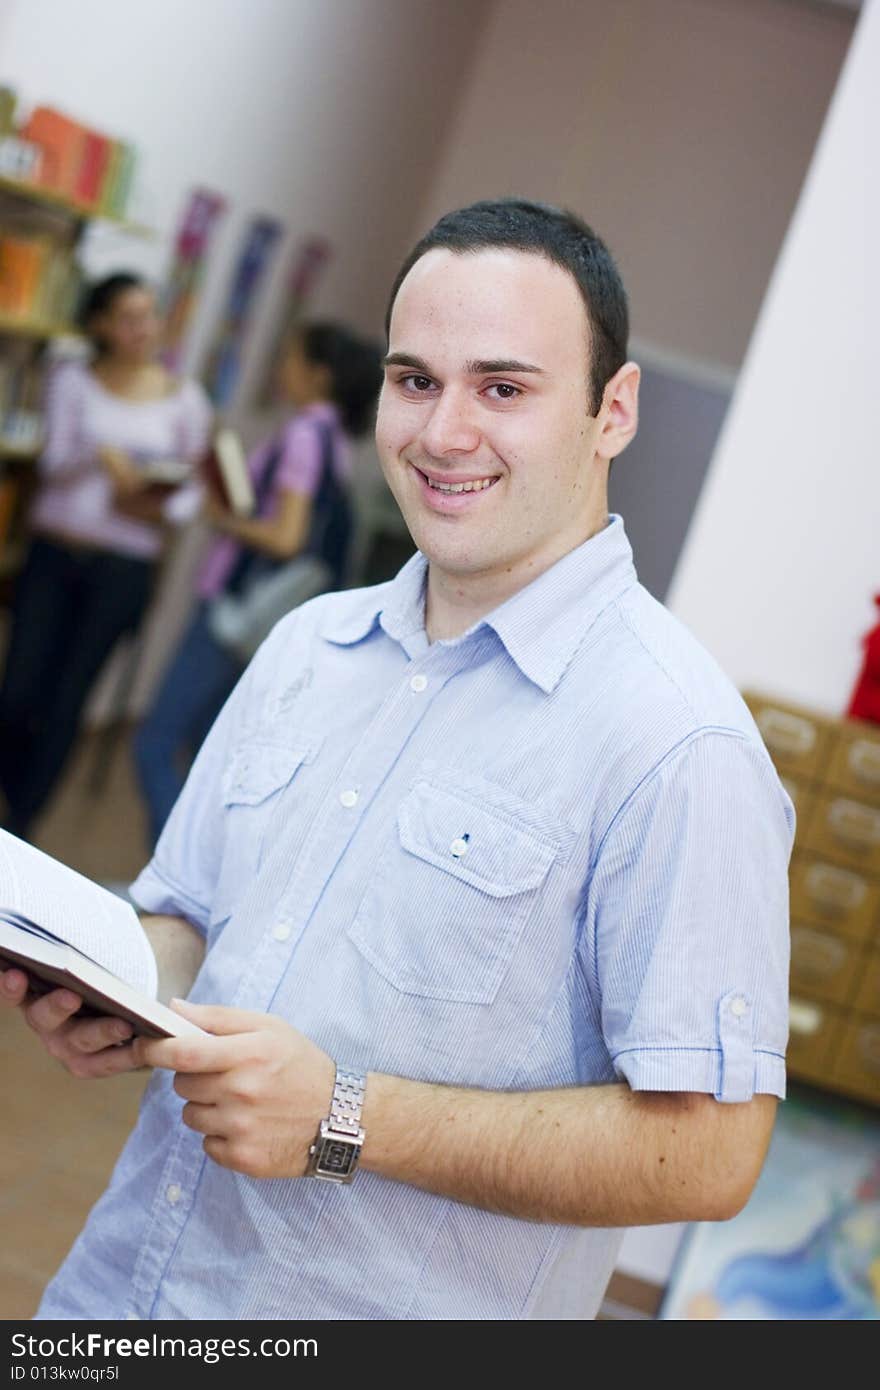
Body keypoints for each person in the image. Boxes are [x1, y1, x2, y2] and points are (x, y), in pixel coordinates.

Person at [0, 199, 794, 1321]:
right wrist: (114, 983)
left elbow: (711, 1151)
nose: (442, 432)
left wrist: (343, 1116)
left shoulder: (676, 743)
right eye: (415, 380)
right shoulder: (307, 648)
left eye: (503, 389)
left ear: (612, 411)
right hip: (121, 1295)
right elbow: (186, 920)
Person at [132, 321, 382, 849]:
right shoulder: (336, 440)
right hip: (265, 620)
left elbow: (287, 537)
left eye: (290, 358)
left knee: (155, 744)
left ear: (319, 375)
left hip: (235, 611)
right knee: (207, 750)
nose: (280, 369)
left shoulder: (303, 434)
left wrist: (220, 518)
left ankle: (176, 866)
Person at [0, 273, 211, 840]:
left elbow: (193, 491)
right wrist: (104, 457)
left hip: (124, 568)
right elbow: (52, 465)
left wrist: (153, 499)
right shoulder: (73, 380)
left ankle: (23, 820)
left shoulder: (183, 397)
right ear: (99, 325)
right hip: (56, 553)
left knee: (70, 696)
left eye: (149, 314)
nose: (141, 328)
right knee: (20, 684)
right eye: (126, 316)